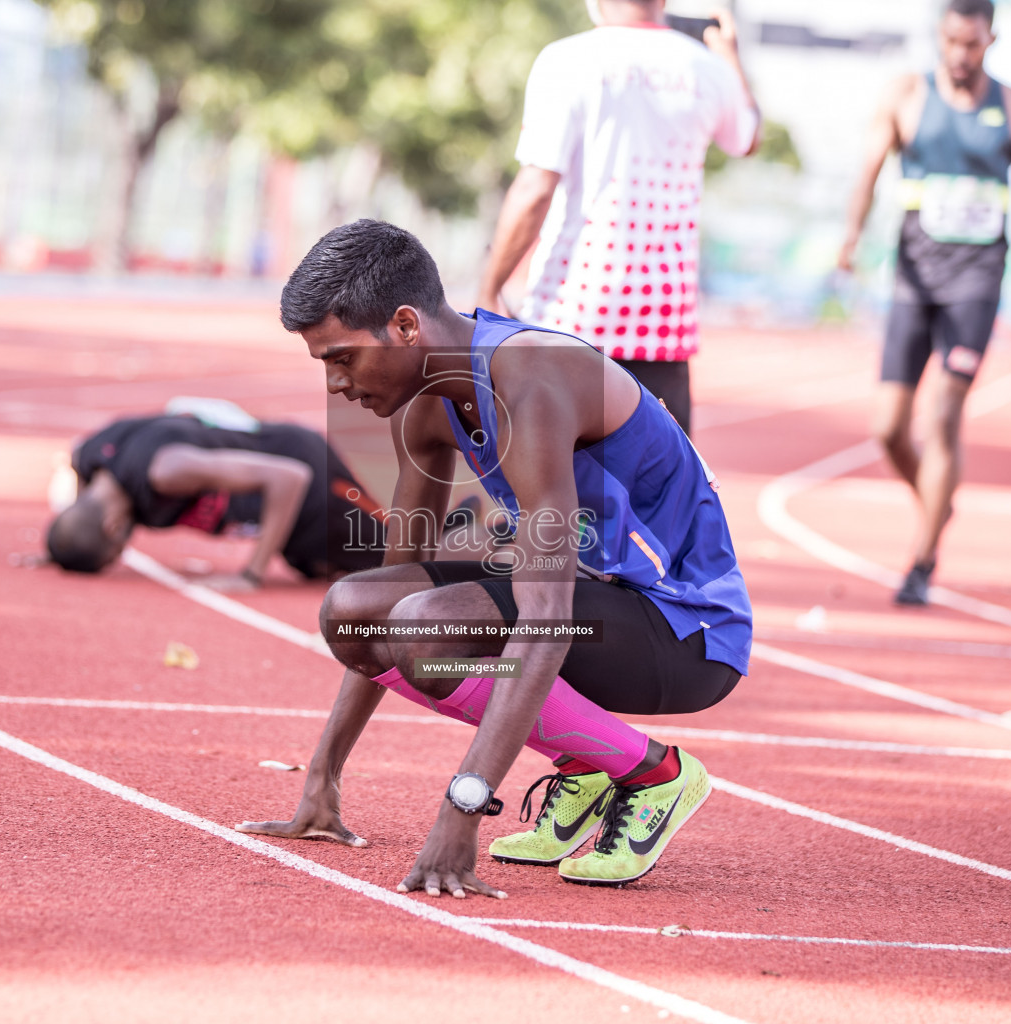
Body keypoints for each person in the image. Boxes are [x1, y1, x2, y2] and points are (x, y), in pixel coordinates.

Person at [238, 220, 752, 896]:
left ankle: (651, 772)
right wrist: (322, 778)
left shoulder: (532, 380)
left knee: (425, 628)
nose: (336, 386)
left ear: (404, 326)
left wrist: (465, 806)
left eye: (340, 359)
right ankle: (587, 763)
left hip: (687, 630)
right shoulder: (426, 408)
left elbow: (544, 616)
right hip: (595, 606)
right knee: (356, 610)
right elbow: (387, 583)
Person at [838, 0, 1011, 606]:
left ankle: (920, 562)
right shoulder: (905, 97)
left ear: (990, 40)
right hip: (913, 280)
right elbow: (868, 171)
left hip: (976, 282)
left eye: (971, 44)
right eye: (950, 41)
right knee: (889, 428)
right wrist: (849, 238)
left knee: (943, 413)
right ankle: (936, 500)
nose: (959, 55)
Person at [476, 0, 762, 435]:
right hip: (663, 323)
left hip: (571, 319)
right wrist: (728, 56)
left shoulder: (567, 59)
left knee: (556, 488)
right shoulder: (709, 70)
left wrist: (489, 286)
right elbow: (748, 137)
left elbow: (535, 189)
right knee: (658, 491)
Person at [46, 412, 386, 588]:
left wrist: (250, 575)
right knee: (321, 570)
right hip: (280, 519)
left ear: (113, 525)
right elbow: (82, 512)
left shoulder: (167, 471)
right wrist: (66, 547)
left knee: (401, 557)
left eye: (116, 552)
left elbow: (290, 477)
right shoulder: (87, 456)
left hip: (312, 482)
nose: (124, 550)